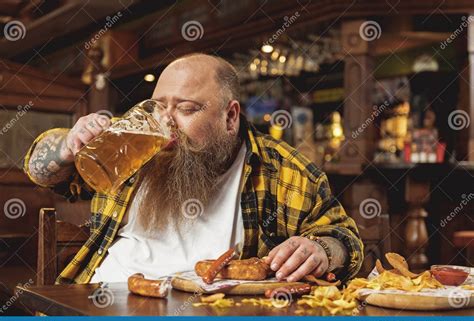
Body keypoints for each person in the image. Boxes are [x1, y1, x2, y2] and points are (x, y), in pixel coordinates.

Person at [24, 53, 363, 284]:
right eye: (159, 107)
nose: (165, 124)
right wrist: (67, 146)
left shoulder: (285, 171)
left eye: (186, 109)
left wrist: (322, 250)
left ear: (230, 116)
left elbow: (344, 238)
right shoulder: (128, 150)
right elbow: (43, 172)